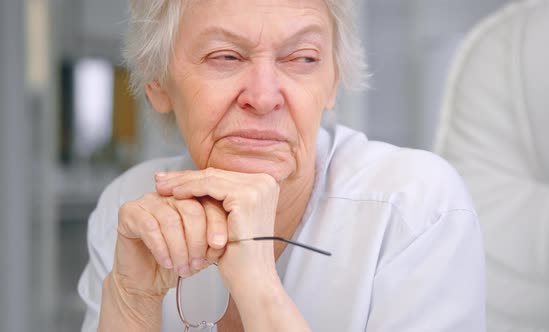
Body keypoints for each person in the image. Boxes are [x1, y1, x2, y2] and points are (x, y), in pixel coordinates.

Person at [78, 0, 486, 331]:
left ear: (332, 83)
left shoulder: (417, 208)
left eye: (302, 59)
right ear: (158, 84)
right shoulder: (129, 207)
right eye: (226, 57)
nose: (263, 96)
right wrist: (131, 305)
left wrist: (258, 286)